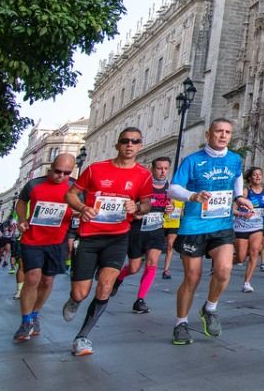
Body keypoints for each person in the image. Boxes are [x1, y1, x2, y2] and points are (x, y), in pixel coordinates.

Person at [61, 127, 155, 356]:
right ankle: (74, 300)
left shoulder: (143, 175)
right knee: (81, 292)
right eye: (125, 141)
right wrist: (83, 207)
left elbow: (147, 204)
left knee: (105, 286)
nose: (130, 145)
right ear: (118, 145)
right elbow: (70, 194)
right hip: (89, 237)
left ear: (140, 146)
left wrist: (137, 207)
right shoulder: (95, 170)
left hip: (118, 237)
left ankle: (82, 337)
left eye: (135, 141)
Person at [167, 118, 251, 345]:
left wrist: (241, 199)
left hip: (221, 225)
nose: (223, 135)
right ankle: (181, 323)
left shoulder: (235, 160)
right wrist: (192, 196)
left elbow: (236, 185)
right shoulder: (193, 161)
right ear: (208, 134)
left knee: (224, 269)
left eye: (227, 132)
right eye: (218, 131)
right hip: (194, 226)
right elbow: (173, 188)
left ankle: (209, 308)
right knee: (192, 277)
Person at [12, 154, 77, 342]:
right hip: (32, 240)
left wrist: (79, 216)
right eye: (58, 171)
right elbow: (21, 202)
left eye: (66, 173)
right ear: (51, 168)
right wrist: (22, 220)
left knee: (47, 281)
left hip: (58, 242)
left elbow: (84, 206)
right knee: (32, 278)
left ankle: (34, 314)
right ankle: (25, 322)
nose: (61, 176)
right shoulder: (34, 184)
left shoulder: (75, 187)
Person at [114, 156, 172, 313]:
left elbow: (170, 206)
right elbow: (129, 206)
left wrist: (169, 210)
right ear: (152, 169)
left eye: (166, 168)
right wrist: (136, 213)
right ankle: (119, 278)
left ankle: (140, 300)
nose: (162, 171)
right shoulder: (142, 185)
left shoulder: (169, 187)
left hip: (156, 229)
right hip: (138, 230)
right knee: (133, 268)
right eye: (159, 168)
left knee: (152, 263)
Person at [233, 167, 264, 293]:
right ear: (250, 178)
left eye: (260, 174)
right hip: (242, 226)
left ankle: (247, 282)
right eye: (255, 175)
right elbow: (233, 210)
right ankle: (223, 264)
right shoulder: (245, 192)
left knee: (254, 252)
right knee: (241, 257)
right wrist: (243, 214)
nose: (258, 177)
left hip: (257, 226)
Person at [161, 195, 183, 278]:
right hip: (162, 224)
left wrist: (181, 212)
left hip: (174, 225)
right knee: (157, 247)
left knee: (170, 246)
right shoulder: (167, 197)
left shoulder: (182, 199)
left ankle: (166, 270)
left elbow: (182, 213)